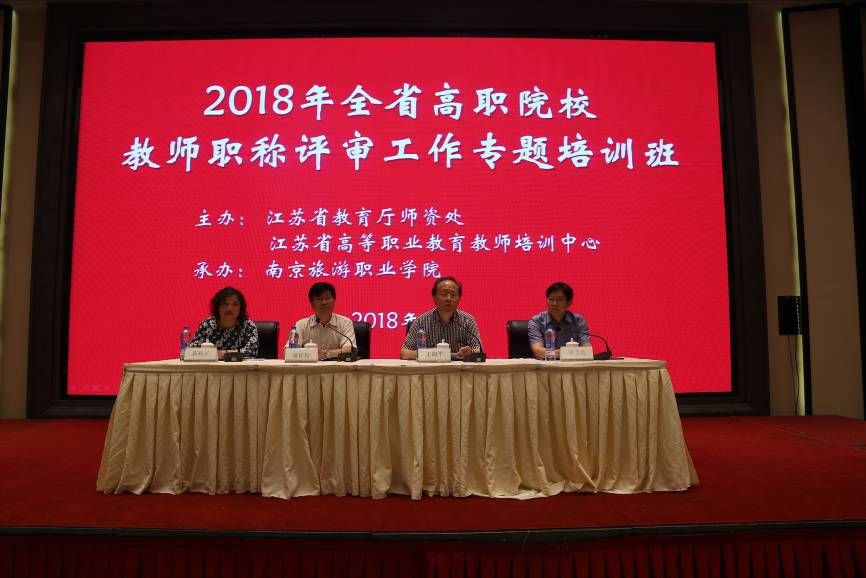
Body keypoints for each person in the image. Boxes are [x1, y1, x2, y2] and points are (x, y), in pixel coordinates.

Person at [401, 276, 482, 360]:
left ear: (459, 299)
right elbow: (404, 353)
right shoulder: (421, 322)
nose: (449, 298)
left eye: (453, 295)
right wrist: (434, 354)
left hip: (459, 368)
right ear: (434, 298)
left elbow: (478, 349)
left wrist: (470, 352)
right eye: (444, 294)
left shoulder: (468, 321)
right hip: (431, 367)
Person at [291, 282, 356, 360]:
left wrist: (325, 354)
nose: (324, 302)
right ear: (312, 304)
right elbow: (287, 352)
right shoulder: (301, 325)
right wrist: (311, 354)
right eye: (319, 299)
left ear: (334, 301)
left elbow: (349, 350)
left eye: (328, 298)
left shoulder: (345, 323)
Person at [189, 286, 259, 359]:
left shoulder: (248, 326)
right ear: (217, 307)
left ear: (240, 308)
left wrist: (223, 354)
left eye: (235, 304)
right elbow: (191, 351)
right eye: (224, 304)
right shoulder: (207, 325)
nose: (229, 308)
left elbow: (251, 352)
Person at [528, 282, 590, 360]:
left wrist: (564, 353)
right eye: (551, 299)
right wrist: (568, 353)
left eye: (559, 299)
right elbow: (538, 352)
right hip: (546, 365)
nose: (554, 303)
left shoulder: (578, 321)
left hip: (572, 365)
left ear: (569, 302)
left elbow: (587, 350)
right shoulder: (536, 321)